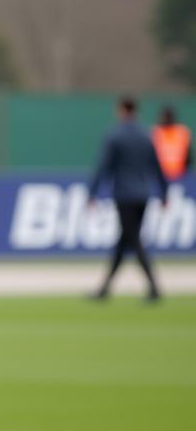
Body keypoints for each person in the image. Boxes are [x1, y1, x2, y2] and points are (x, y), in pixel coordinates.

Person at [88, 96, 168, 301]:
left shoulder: (115, 136)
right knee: (124, 240)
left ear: (122, 110)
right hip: (144, 194)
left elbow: (104, 167)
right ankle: (105, 289)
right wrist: (164, 192)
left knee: (132, 239)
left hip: (124, 195)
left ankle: (154, 286)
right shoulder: (147, 135)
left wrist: (92, 193)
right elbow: (157, 166)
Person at [151, 106, 191, 183]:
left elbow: (188, 156)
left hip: (180, 175)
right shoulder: (156, 131)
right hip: (159, 175)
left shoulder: (182, 132)